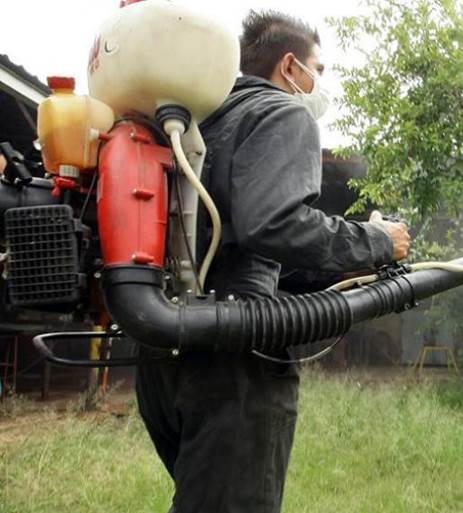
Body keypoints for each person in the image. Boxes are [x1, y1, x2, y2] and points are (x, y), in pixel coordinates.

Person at [135, 10, 411, 513]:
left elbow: (241, 241)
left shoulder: (203, 122)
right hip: (237, 356)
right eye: (318, 70)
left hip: (165, 356)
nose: (320, 85)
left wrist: (343, 264)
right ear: (290, 67)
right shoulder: (282, 112)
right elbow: (274, 224)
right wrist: (376, 240)